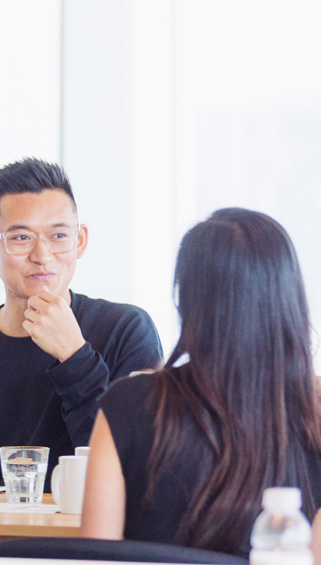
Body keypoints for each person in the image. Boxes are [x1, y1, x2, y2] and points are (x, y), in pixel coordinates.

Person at [81, 208, 321, 559]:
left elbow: (91, 557)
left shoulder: (128, 404)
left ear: (186, 302)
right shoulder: (313, 409)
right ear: (289, 301)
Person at [0, 158, 162, 487]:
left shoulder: (127, 331)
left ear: (81, 240)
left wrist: (75, 357)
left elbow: (131, 466)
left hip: (75, 534)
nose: (43, 255)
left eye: (59, 235)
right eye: (21, 238)